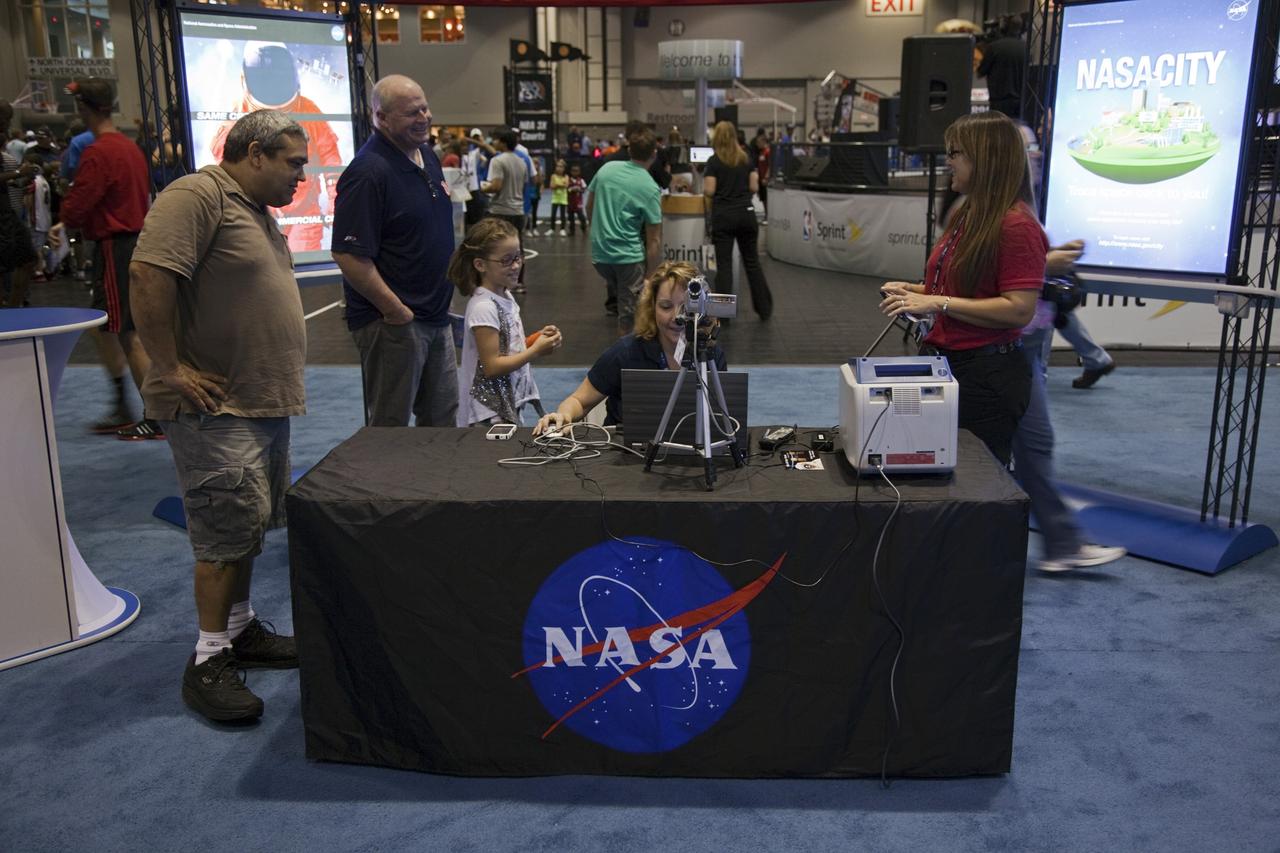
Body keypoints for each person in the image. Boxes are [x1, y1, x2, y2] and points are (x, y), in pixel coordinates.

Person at [129, 109, 310, 723]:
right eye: (294, 164)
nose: (302, 178)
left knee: (246, 525)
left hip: (258, 400)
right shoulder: (196, 194)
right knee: (221, 534)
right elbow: (148, 274)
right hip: (215, 405)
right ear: (254, 154)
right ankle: (209, 658)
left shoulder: (254, 210)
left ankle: (240, 628)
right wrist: (170, 367)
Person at [879, 111, 1045, 466]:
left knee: (976, 484)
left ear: (984, 160)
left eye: (956, 154)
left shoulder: (1016, 226)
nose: (949, 162)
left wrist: (936, 301)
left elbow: (1018, 308)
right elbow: (957, 288)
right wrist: (915, 292)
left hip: (986, 377)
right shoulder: (968, 215)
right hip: (950, 367)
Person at [331, 74, 459, 427]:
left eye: (425, 108)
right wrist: (395, 310)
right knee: (391, 426)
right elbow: (348, 254)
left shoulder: (426, 157)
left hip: (434, 316)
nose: (424, 117)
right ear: (381, 118)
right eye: (411, 113)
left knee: (443, 416)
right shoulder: (368, 172)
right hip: (394, 323)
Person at [52, 78, 157, 438]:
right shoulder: (129, 148)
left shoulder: (100, 152)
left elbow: (80, 203)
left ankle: (151, 414)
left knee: (126, 331)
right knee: (113, 328)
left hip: (115, 247)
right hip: (133, 242)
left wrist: (64, 219)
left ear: (83, 108)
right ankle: (128, 407)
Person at [1014, 240, 1126, 573]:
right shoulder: (994, 210)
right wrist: (1044, 265)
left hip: (1020, 345)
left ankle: (1062, 543)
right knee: (1028, 447)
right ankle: (1061, 543)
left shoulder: (1014, 209)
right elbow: (986, 276)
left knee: (1033, 447)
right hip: (1003, 346)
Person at [534, 261, 725, 435]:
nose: (676, 317)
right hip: (626, 455)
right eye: (666, 307)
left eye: (685, 308)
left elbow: (721, 416)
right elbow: (578, 401)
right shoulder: (626, 351)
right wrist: (563, 416)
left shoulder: (710, 354)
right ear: (652, 307)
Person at [209, 41, 344, 254]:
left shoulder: (308, 110)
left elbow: (331, 160)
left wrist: (336, 205)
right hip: (257, 211)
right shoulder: (238, 112)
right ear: (244, 81)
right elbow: (226, 164)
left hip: (303, 209)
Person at [448, 218, 562, 426]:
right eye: (506, 260)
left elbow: (506, 348)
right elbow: (492, 366)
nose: (516, 265)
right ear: (480, 264)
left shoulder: (504, 295)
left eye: (518, 257)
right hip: (487, 413)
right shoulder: (484, 307)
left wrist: (535, 340)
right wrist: (535, 351)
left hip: (503, 403)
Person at [587, 127, 663, 334]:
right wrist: (650, 276)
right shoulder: (650, 187)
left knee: (623, 300)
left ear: (630, 150)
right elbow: (654, 239)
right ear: (654, 154)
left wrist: (597, 232)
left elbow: (589, 206)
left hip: (600, 256)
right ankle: (628, 359)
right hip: (627, 258)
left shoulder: (606, 169)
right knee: (630, 316)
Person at [703, 120, 774, 320]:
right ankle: (764, 309)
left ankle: (723, 314)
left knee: (724, 265)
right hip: (746, 215)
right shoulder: (746, 159)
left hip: (724, 217)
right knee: (752, 263)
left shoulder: (714, 162)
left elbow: (709, 190)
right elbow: (754, 186)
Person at [0, 100, 40, 308]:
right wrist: (18, 173)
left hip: (7, 212)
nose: (7, 124)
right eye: (5, 119)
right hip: (2, 216)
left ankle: (13, 310)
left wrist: (19, 181)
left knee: (28, 259)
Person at [480, 129, 529, 291]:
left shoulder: (498, 161)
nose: (493, 143)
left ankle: (496, 282)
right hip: (518, 211)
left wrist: (483, 188)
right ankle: (518, 282)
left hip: (500, 210)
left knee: (494, 248)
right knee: (517, 249)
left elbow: (496, 186)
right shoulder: (521, 162)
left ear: (502, 142)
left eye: (495, 140)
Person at [548, 159, 569, 236]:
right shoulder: (553, 176)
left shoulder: (566, 176)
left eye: (561, 167)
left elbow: (566, 185)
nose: (559, 168)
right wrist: (560, 185)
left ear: (564, 168)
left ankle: (562, 229)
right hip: (555, 199)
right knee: (553, 215)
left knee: (563, 215)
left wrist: (557, 185)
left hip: (563, 199)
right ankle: (552, 229)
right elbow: (552, 186)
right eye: (558, 166)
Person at [566, 163, 587, 235]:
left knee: (582, 217)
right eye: (573, 171)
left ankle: (584, 229)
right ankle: (572, 231)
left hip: (578, 203)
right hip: (570, 203)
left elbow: (584, 189)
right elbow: (566, 189)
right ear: (571, 172)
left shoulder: (581, 180)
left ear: (579, 172)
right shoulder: (568, 180)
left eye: (576, 171)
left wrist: (579, 189)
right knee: (571, 219)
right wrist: (572, 189)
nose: (575, 172)